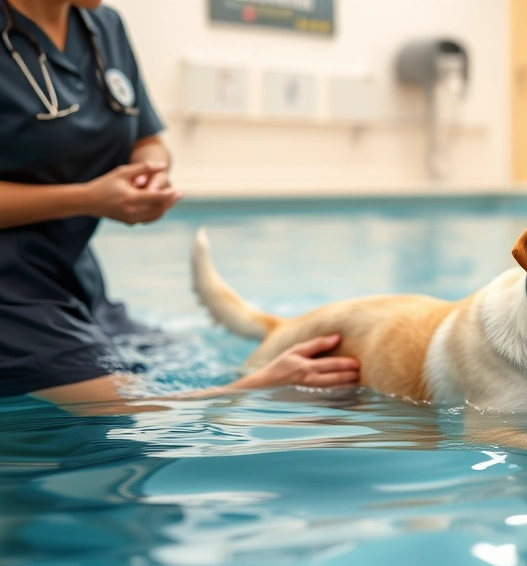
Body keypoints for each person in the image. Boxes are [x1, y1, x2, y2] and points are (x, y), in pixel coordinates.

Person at [0, 0, 359, 406]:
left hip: (71, 279)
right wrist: (260, 388)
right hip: (8, 289)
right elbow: (136, 410)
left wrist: (149, 175)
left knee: (184, 355)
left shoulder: (103, 25)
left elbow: (147, 140)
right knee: (126, 409)